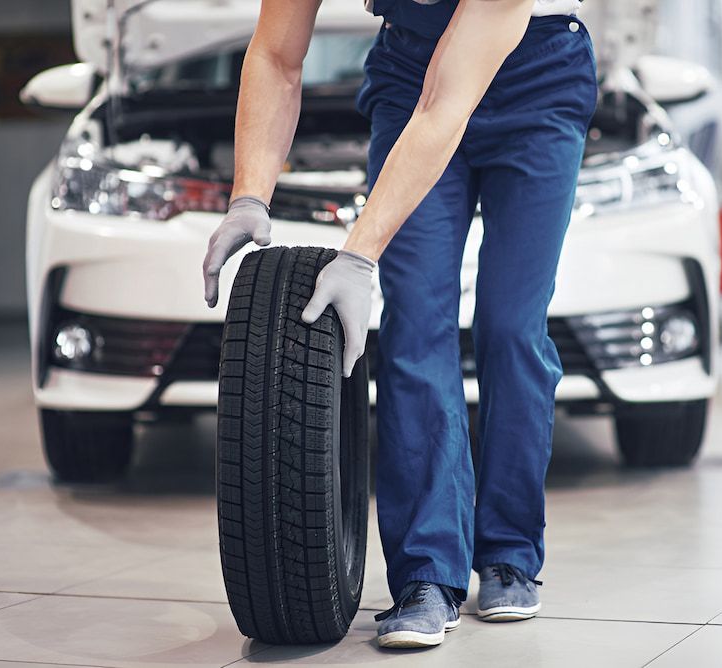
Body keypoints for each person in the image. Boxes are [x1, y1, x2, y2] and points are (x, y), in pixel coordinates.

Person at [203, 0, 596, 649]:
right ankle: (426, 576)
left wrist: (359, 254)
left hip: (540, 79)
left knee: (510, 327)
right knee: (415, 328)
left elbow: (447, 104)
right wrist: (249, 193)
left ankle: (509, 553)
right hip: (409, 67)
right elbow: (276, 55)